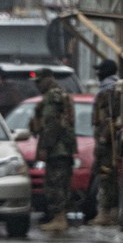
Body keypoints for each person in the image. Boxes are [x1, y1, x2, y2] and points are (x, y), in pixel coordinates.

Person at [29, 67, 78, 232]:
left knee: (55, 183)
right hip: (64, 147)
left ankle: (59, 218)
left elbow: (50, 125)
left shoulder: (52, 97)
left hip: (58, 148)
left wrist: (44, 147)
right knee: (62, 182)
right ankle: (60, 217)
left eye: (39, 81)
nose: (37, 85)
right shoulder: (62, 93)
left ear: (48, 79)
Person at [88, 59, 121, 227]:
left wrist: (103, 138)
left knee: (105, 175)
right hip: (105, 142)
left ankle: (106, 213)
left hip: (107, 144)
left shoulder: (109, 91)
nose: (97, 74)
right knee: (106, 175)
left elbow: (110, 118)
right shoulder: (109, 89)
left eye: (100, 71)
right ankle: (109, 212)